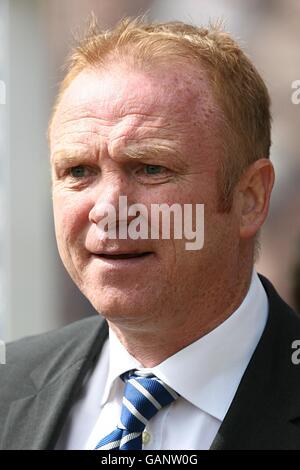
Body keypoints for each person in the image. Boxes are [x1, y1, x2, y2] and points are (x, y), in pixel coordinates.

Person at [1, 17, 300, 451]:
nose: (107, 209)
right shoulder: (9, 387)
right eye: (78, 171)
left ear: (250, 197)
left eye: (151, 168)